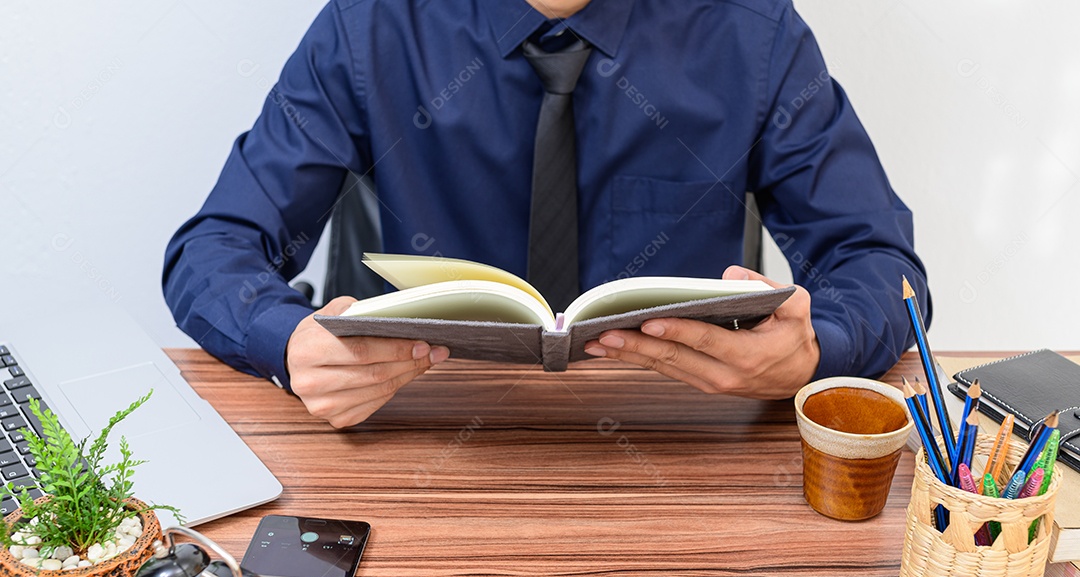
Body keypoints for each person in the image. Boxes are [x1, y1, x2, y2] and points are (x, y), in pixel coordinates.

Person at [164, 0, 930, 428]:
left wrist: (813, 351)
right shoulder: (372, 23)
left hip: (681, 453)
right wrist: (291, 342)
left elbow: (879, 264)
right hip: (427, 442)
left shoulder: (752, 33)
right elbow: (216, 247)